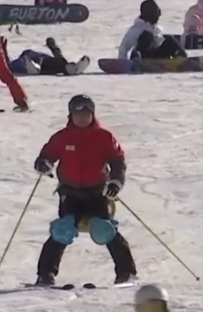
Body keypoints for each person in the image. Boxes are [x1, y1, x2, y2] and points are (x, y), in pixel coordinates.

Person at [32, 95, 138, 286]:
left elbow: (117, 161)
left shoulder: (103, 137)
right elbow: (46, 155)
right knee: (63, 230)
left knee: (105, 230)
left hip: (97, 193)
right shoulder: (62, 137)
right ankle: (45, 274)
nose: (82, 118)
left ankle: (126, 273)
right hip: (70, 193)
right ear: (70, 115)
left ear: (92, 114)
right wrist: (43, 164)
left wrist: (115, 182)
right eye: (77, 114)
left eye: (86, 114)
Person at [118, 0, 188, 60]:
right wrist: (123, 63)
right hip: (142, 57)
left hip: (156, 57)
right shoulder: (135, 30)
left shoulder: (157, 29)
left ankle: (183, 60)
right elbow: (123, 49)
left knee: (169, 39)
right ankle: (140, 61)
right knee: (147, 36)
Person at [4, 37, 90, 76]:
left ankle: (68, 68)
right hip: (44, 62)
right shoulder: (26, 57)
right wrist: (52, 44)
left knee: (58, 61)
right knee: (59, 61)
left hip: (43, 63)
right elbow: (57, 52)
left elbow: (6, 64)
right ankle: (70, 69)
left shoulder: (27, 57)